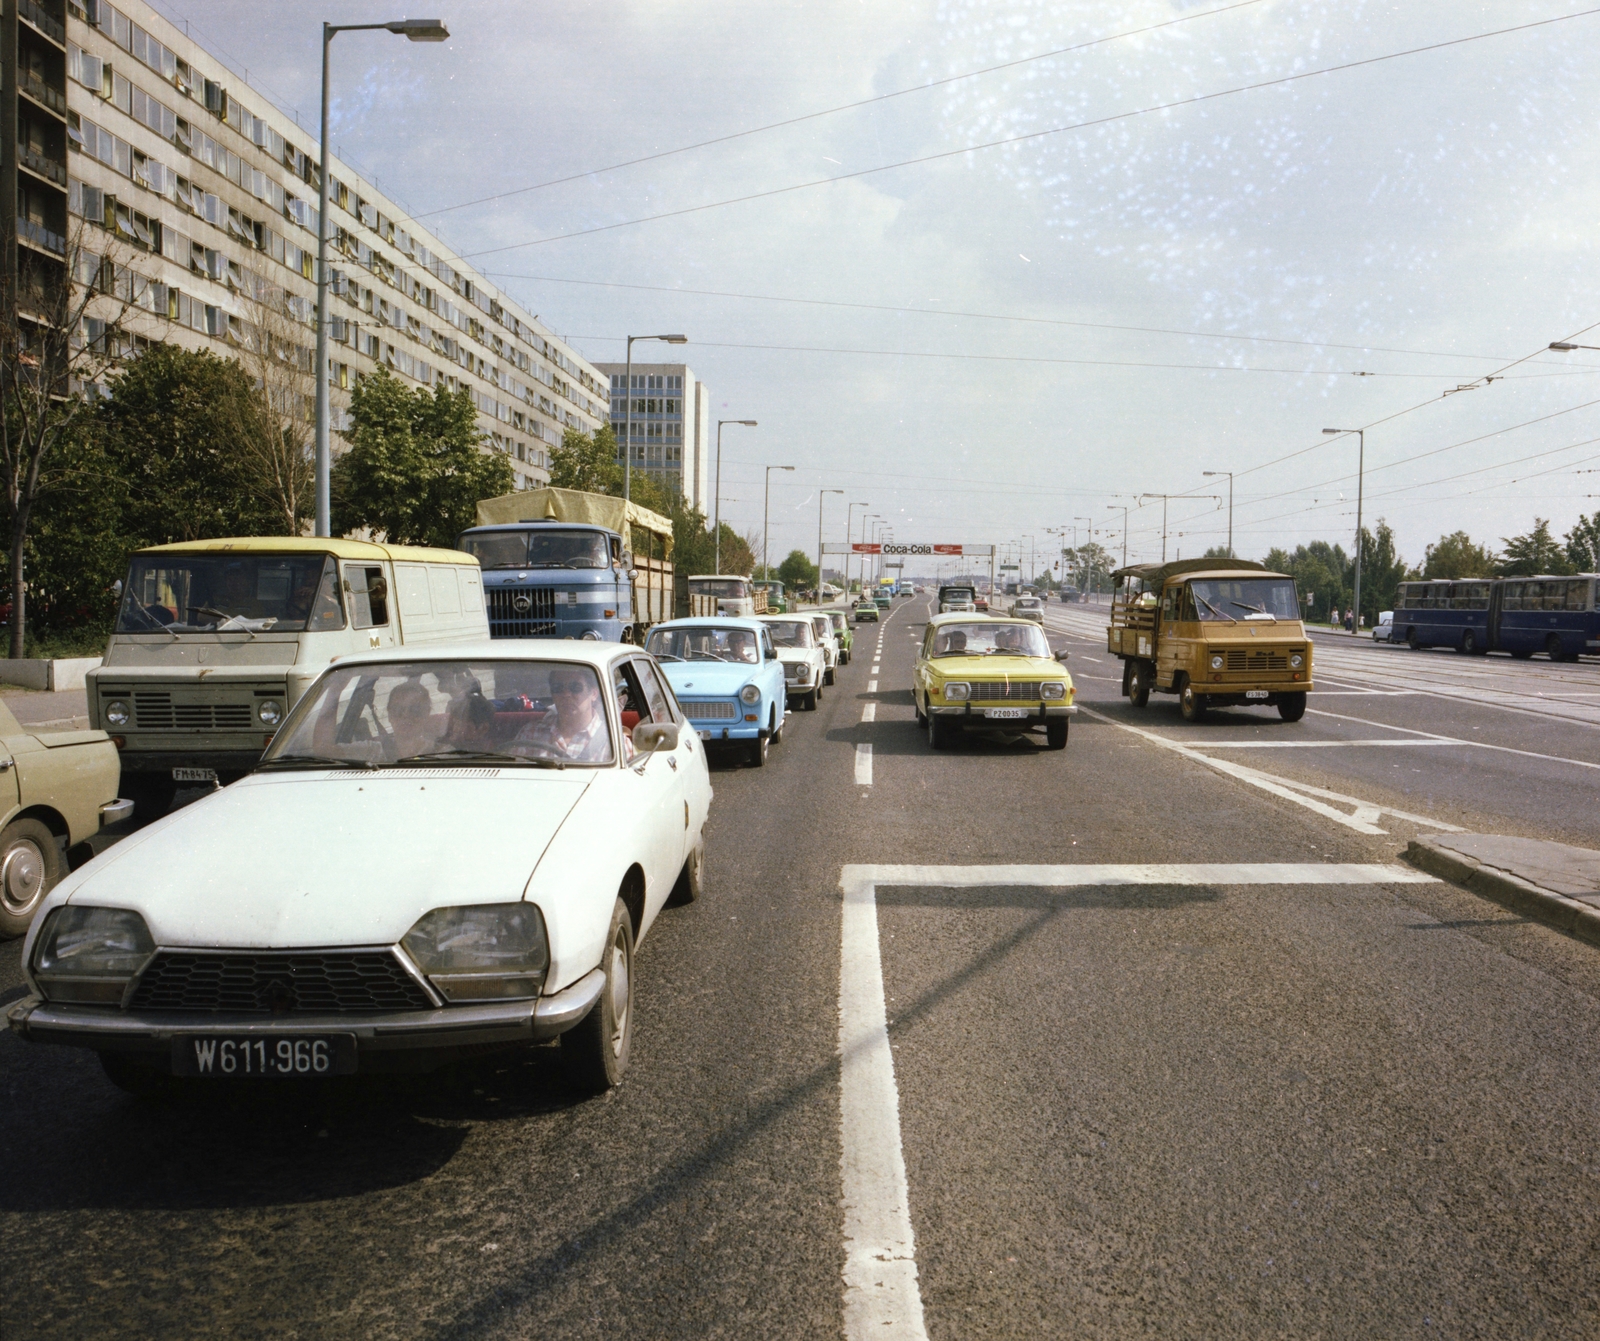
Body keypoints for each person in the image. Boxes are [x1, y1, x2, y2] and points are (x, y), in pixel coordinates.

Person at [512, 669, 612, 763]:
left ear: (594, 694)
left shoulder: (613, 742)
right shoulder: (530, 734)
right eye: (558, 688)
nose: (566, 694)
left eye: (575, 687)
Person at [387, 680, 439, 759]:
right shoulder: (371, 750)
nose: (406, 715)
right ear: (389, 715)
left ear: (426, 714)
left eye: (415, 710)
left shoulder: (443, 754)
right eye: (398, 710)